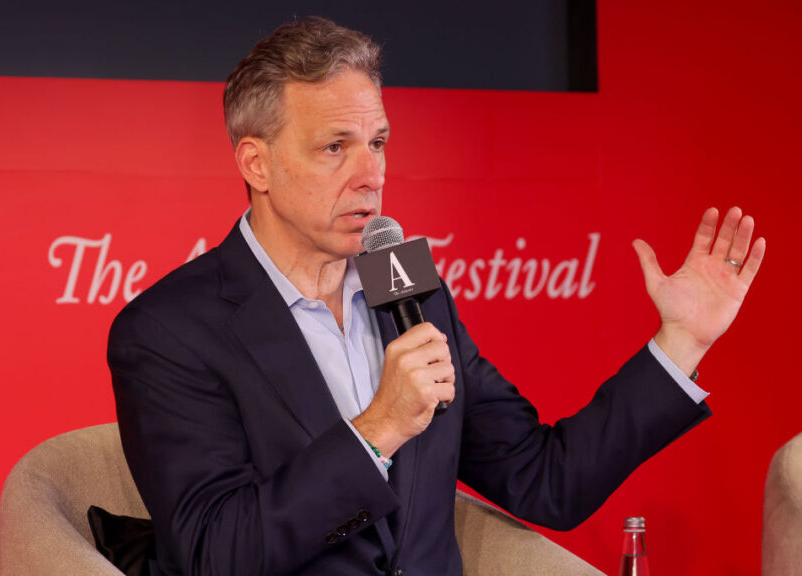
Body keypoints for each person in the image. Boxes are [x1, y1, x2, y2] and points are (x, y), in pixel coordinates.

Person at [107, 17, 765, 576]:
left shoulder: (411, 292)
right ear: (257, 164)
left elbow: (544, 480)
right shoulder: (168, 331)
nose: (371, 175)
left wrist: (682, 341)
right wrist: (378, 429)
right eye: (335, 147)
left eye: (378, 143)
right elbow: (215, 552)